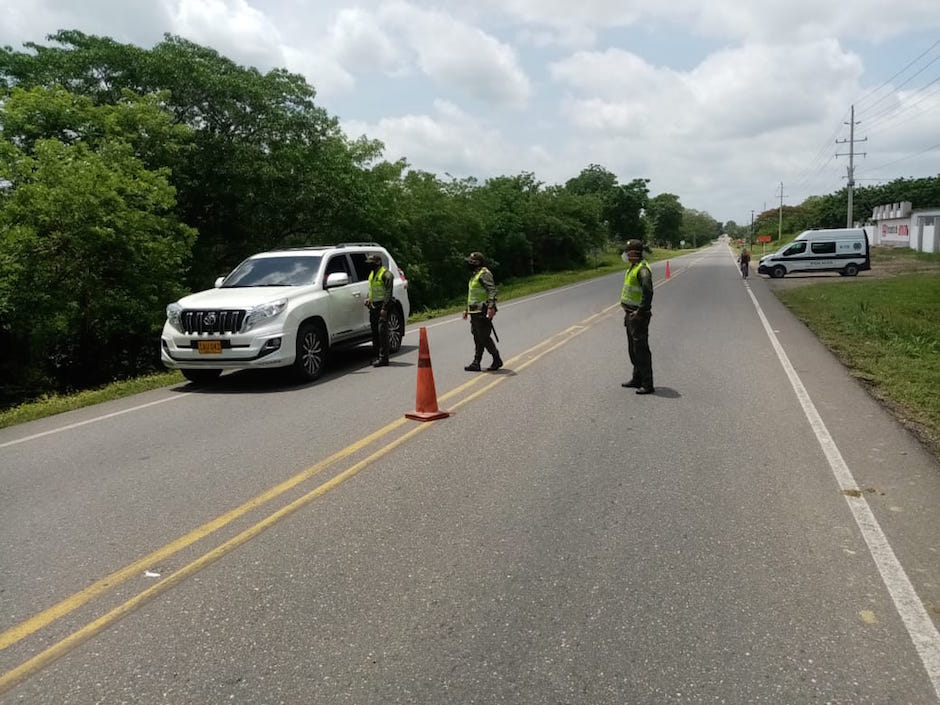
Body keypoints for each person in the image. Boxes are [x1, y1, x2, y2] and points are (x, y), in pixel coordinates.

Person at [620, 239, 654, 395]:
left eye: (628, 252)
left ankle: (647, 384)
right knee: (633, 349)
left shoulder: (643, 270)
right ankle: (636, 379)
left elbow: (648, 292)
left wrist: (640, 312)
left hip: (638, 316)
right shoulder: (633, 267)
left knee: (641, 350)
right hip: (630, 314)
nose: (626, 254)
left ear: (635, 253)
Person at [462, 251, 503, 372]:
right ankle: (476, 363)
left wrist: (491, 307)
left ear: (478, 262)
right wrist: (466, 310)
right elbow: (472, 295)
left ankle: (496, 358)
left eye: (471, 262)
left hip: (482, 311)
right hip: (474, 312)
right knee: (477, 337)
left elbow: (492, 290)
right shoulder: (475, 275)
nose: (469, 264)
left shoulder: (484, 274)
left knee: (483, 337)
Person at [364, 253, 394, 367]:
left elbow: (388, 292)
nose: (369, 265)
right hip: (373, 306)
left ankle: (383, 358)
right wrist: (368, 298)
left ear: (378, 262)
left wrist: (385, 308)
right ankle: (377, 356)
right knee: (375, 332)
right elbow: (372, 289)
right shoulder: (372, 274)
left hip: (382, 306)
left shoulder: (386, 274)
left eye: (371, 263)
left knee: (382, 332)